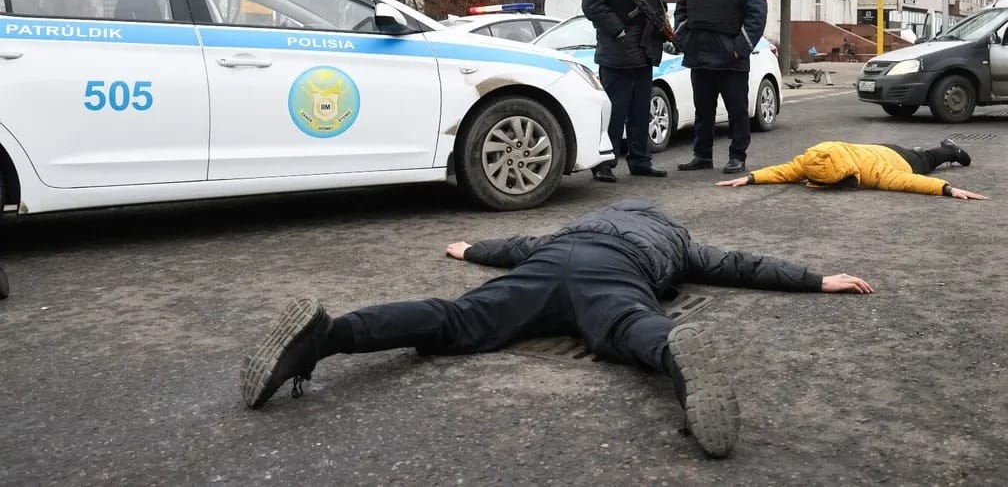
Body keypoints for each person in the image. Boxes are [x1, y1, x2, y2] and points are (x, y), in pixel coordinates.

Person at [240, 199, 873, 458]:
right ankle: (679, 360)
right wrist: (817, 278)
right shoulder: (675, 239)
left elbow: (516, 243)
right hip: (614, 277)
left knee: (456, 318)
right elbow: (740, 266)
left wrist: (470, 249)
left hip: (548, 266)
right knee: (632, 327)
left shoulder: (576, 224)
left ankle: (326, 336)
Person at [582, 0, 671, 181]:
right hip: (617, 53)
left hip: (644, 52)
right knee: (614, 111)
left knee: (640, 110)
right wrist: (619, 30)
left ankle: (641, 160)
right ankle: (604, 163)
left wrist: (663, 29)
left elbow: (659, 4)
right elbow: (592, 5)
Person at [673, 0, 768, 175]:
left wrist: (739, 49)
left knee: (737, 111)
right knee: (703, 110)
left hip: (731, 60)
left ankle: (737, 156)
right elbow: (682, 10)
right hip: (700, 56)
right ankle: (702, 155)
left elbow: (756, 18)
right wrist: (683, 39)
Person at [716, 139, 987, 199]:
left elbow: (910, 182)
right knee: (919, 154)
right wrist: (750, 178)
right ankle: (922, 150)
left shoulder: (874, 172)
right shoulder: (813, 159)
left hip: (895, 158)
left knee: (927, 160)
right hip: (871, 147)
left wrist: (949, 189)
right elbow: (782, 171)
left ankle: (951, 150)